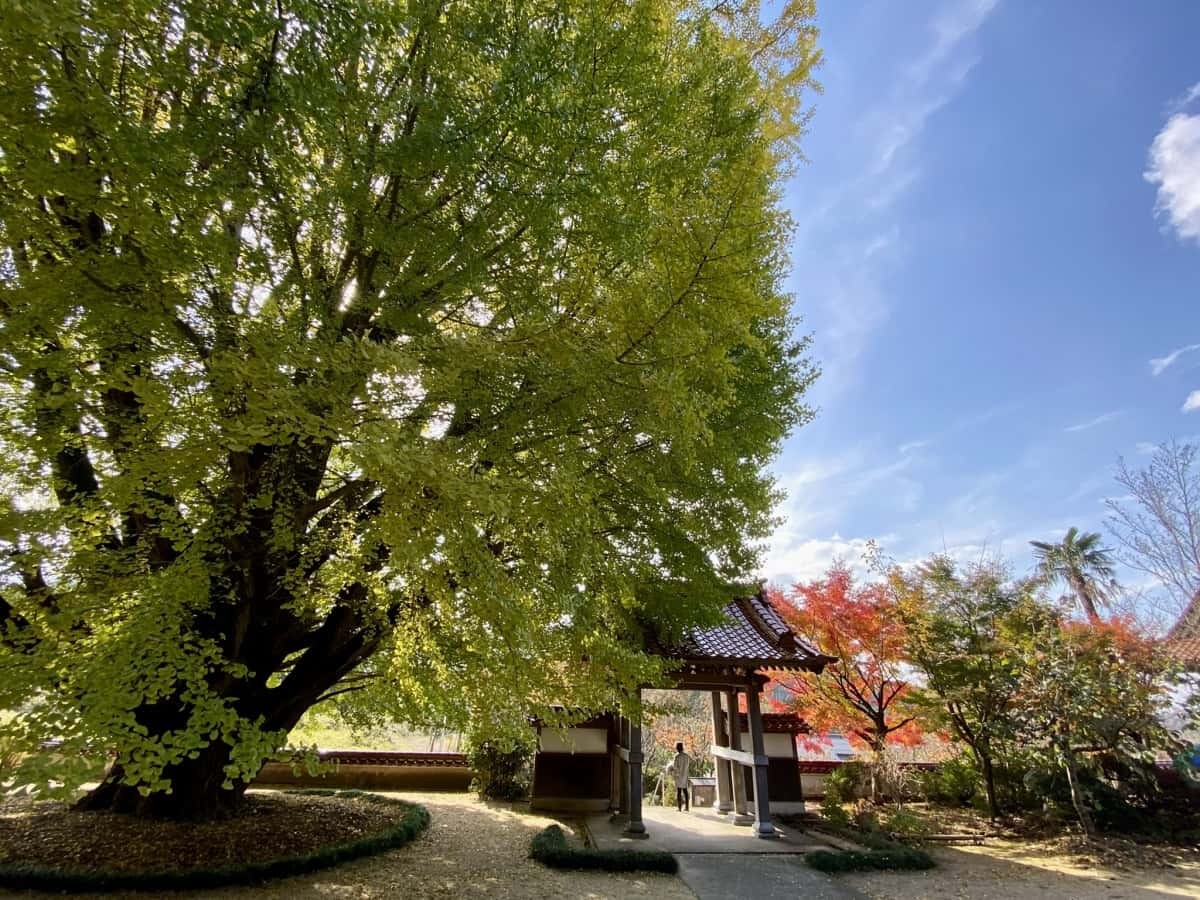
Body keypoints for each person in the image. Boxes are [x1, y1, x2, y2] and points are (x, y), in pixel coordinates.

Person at [670, 742, 691, 811]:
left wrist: (671, 769)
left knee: (679, 791)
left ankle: (679, 808)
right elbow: (688, 766)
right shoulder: (687, 756)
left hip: (678, 776)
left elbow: (675, 767)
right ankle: (687, 807)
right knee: (685, 791)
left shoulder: (677, 756)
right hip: (685, 775)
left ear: (677, 748)